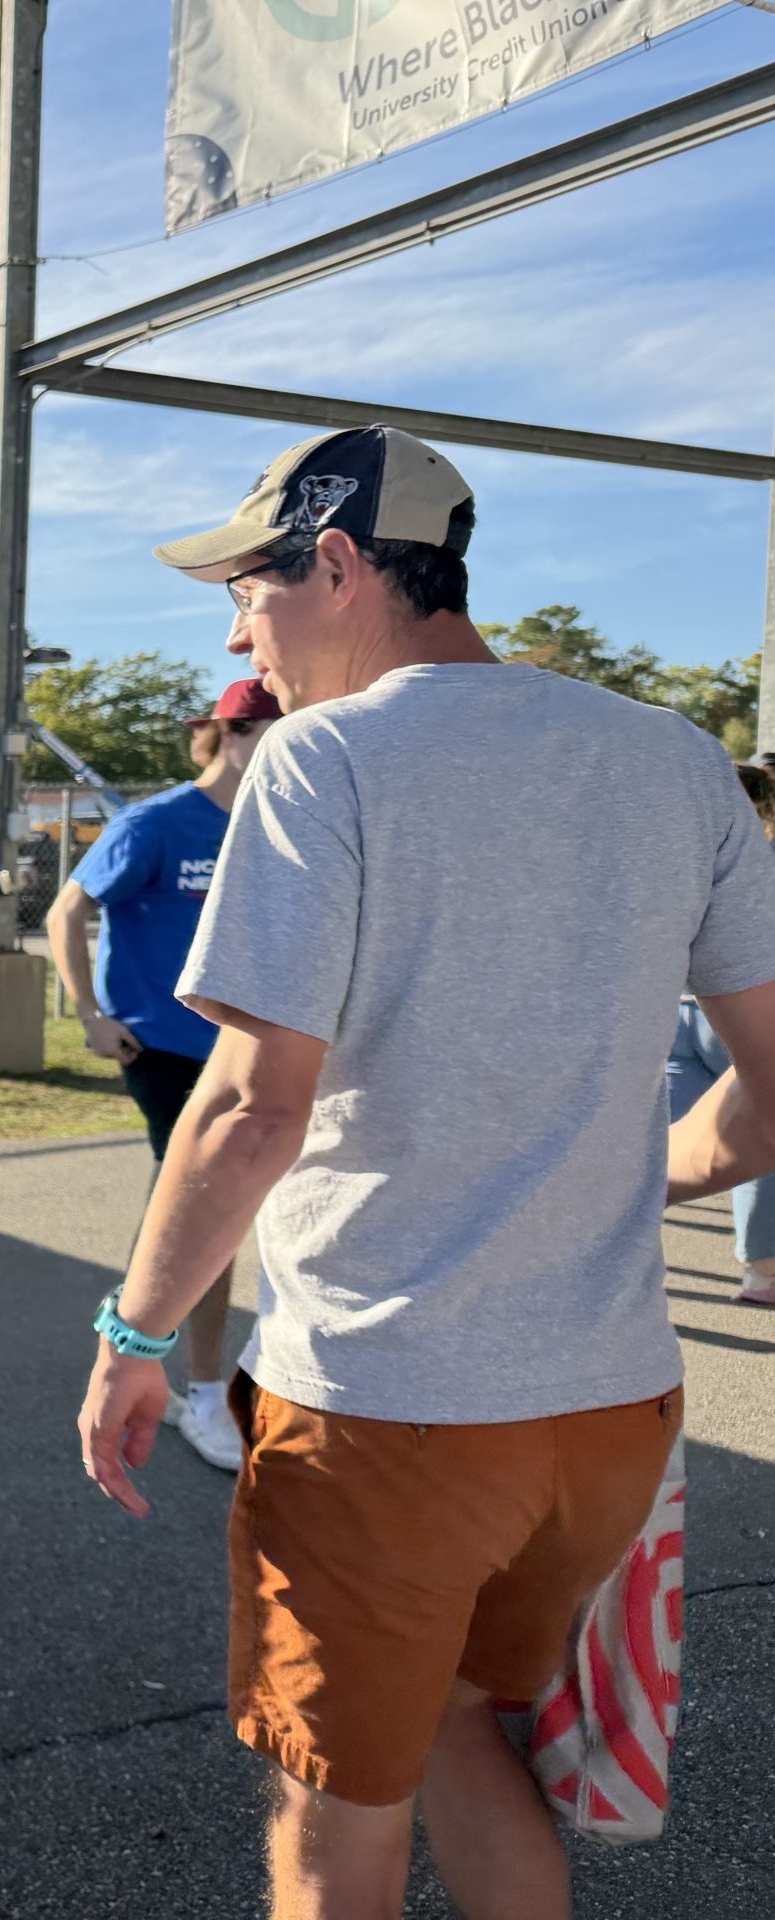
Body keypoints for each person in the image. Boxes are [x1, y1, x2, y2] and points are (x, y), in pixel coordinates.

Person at [75, 425, 775, 1918]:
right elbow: (771, 1094)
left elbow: (253, 1108)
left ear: (338, 563)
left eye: (251, 584)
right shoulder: (673, 757)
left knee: (336, 1825)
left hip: (387, 1407)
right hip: (610, 1409)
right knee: (460, 1730)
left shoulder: (324, 757)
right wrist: (618, 1176)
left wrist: (135, 1338)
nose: (236, 626)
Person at [44, 675, 280, 1473]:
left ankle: (209, 1361)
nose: (272, 742)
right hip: (166, 1048)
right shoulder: (155, 823)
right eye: (256, 728)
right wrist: (89, 1014)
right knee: (210, 1213)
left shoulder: (283, 819)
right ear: (222, 735)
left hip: (250, 1047)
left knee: (247, 1212)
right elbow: (66, 911)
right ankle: (205, 1395)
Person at [663, 761, 775, 1307]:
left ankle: (598, 1253)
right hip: (737, 1012)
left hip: (671, 1012)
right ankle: (762, 1272)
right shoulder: (758, 858)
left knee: (637, 1151)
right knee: (754, 1134)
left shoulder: (669, 847)